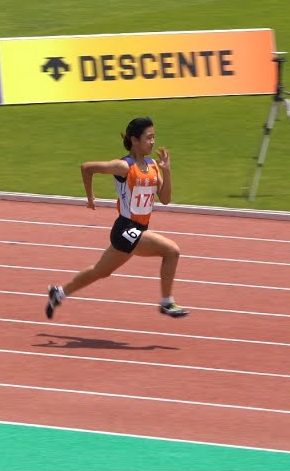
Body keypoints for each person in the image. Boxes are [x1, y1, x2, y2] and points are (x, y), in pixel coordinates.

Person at [45, 116, 189, 320]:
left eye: (154, 137)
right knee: (172, 251)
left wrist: (167, 170)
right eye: (148, 138)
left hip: (139, 229)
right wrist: (90, 197)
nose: (153, 142)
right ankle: (166, 303)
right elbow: (87, 168)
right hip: (126, 229)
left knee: (100, 271)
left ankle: (59, 292)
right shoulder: (124, 166)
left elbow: (165, 199)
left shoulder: (153, 166)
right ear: (134, 140)